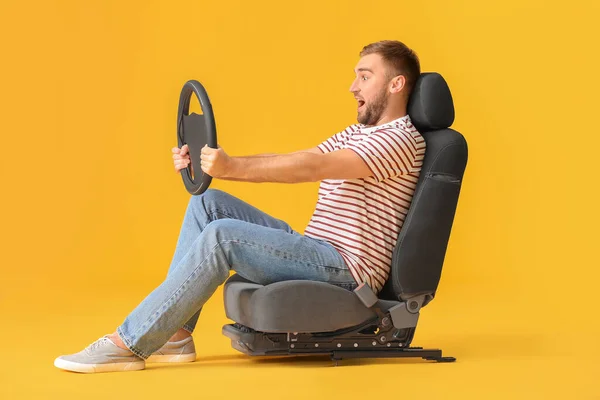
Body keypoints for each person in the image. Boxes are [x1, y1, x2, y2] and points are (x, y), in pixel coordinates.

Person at [54, 40, 425, 373]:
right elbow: (301, 156)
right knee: (208, 203)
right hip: (319, 249)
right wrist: (212, 161)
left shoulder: (399, 140)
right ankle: (176, 335)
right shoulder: (362, 132)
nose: (352, 86)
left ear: (396, 84)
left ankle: (129, 342)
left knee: (221, 237)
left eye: (364, 77)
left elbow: (313, 168)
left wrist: (232, 169)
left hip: (346, 268)